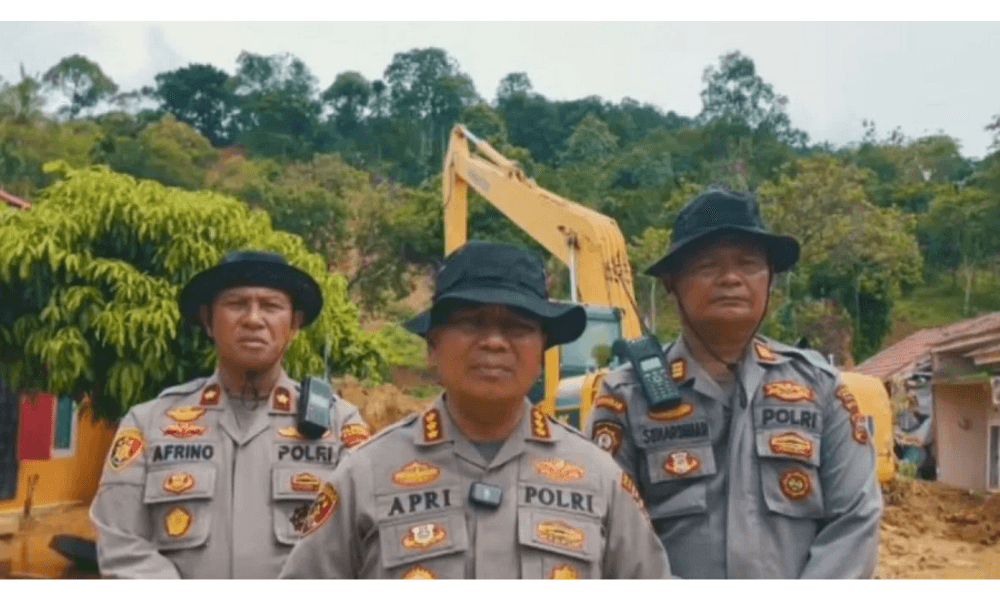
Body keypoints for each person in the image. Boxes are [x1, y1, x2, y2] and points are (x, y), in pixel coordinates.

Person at [279, 241, 671, 579]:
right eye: (470, 323)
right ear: (433, 347)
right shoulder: (364, 475)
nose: (494, 342)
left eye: (517, 327)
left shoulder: (598, 477)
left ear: (542, 353)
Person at [585, 189, 882, 579]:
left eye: (748, 264)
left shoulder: (820, 389)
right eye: (708, 265)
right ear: (673, 283)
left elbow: (854, 520)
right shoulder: (625, 396)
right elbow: (610, 532)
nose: (730, 278)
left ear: (770, 280)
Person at [90, 250, 371, 578]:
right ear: (209, 321)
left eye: (271, 306)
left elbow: (364, 544)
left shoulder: (340, 425)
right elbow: (121, 544)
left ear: (294, 324)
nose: (253, 319)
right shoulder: (148, 423)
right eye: (237, 304)